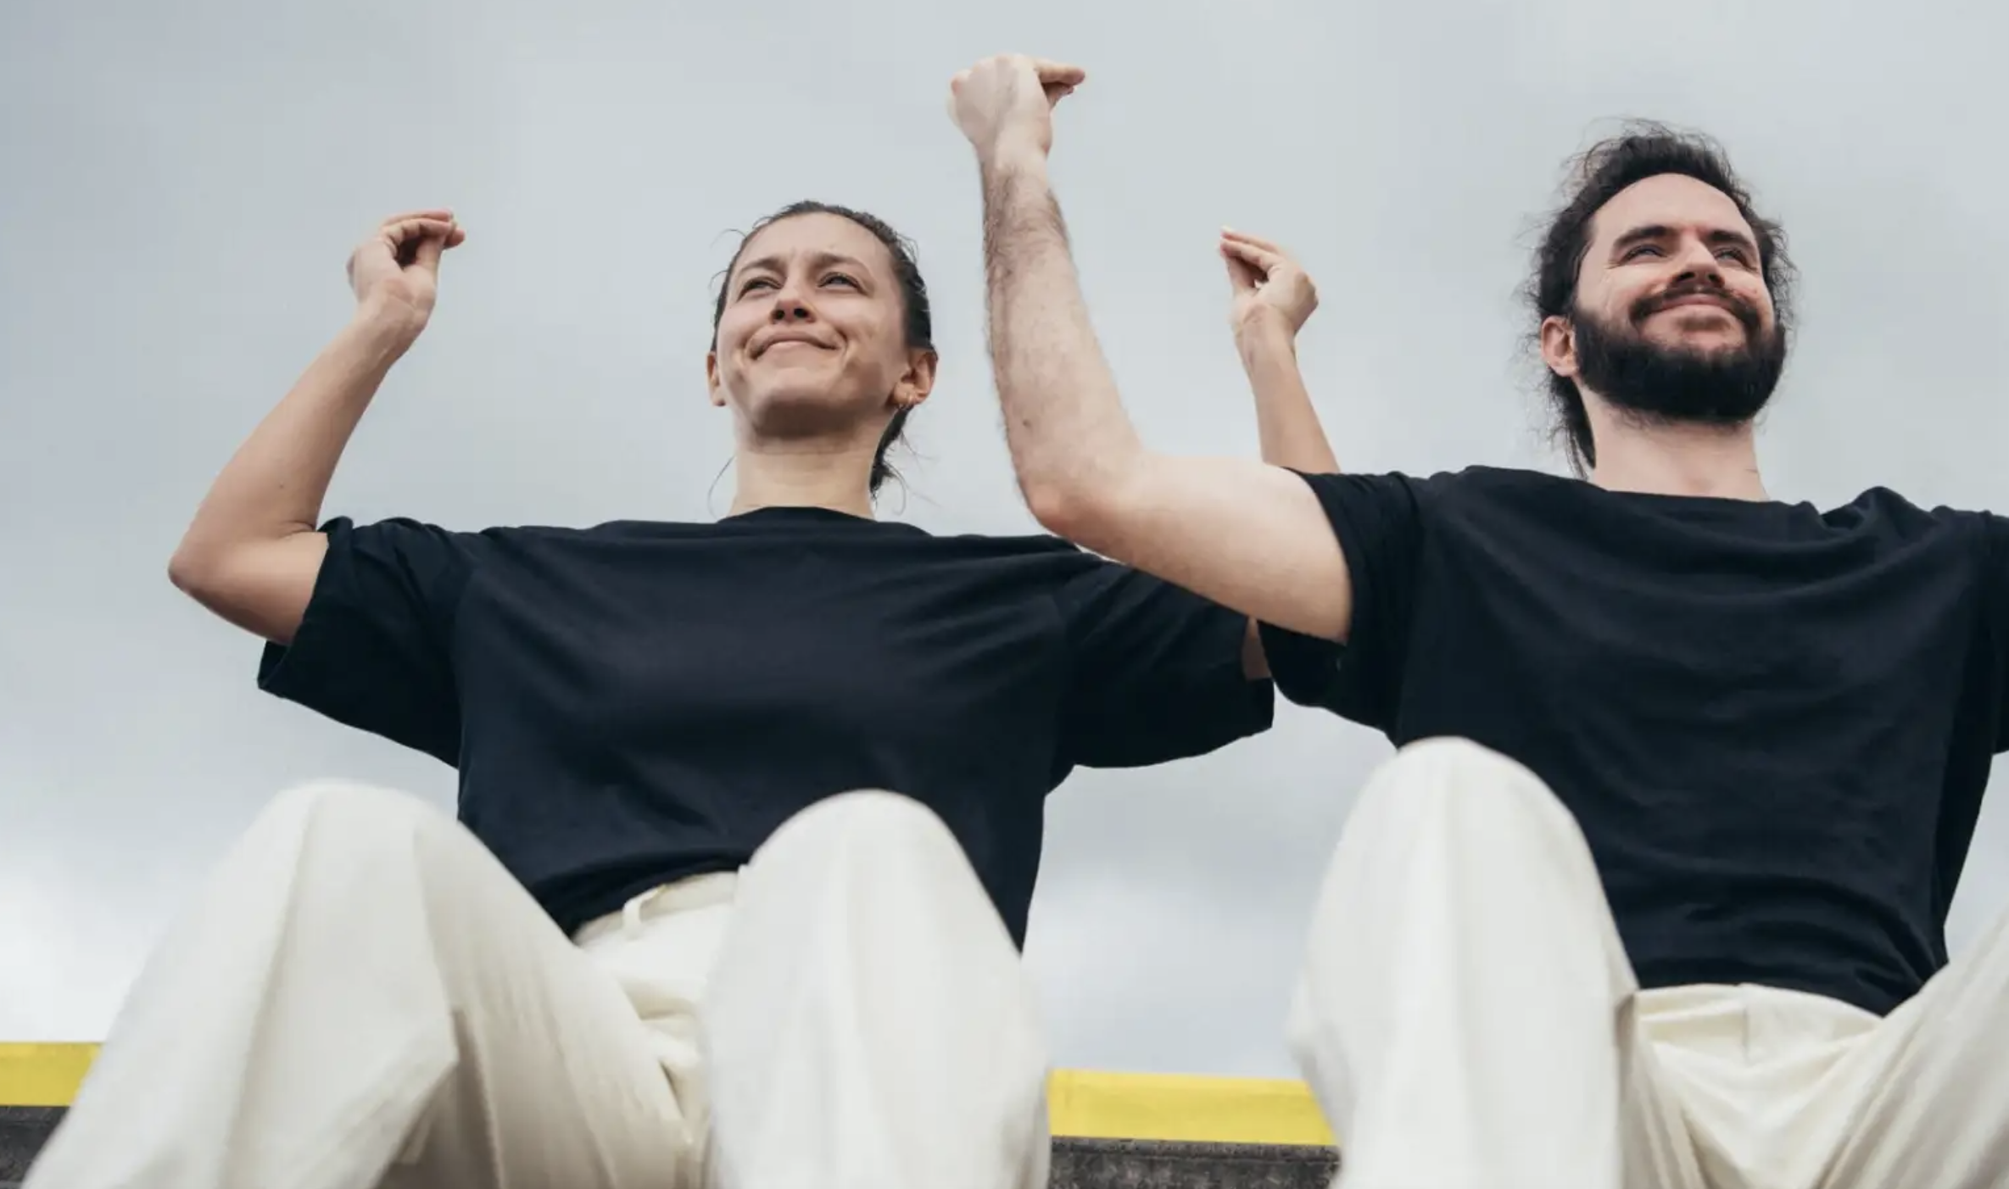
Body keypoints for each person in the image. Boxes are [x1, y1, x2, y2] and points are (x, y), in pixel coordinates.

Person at [946, 52, 2009, 1189]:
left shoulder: (1939, 568)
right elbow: (1091, 479)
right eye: (1650, 245)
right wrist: (1019, 162)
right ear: (1564, 339)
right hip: (1592, 1094)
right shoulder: (1461, 537)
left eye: (1730, 249)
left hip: (1899, 1095)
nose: (1700, 258)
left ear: (1768, 316)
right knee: (1448, 808)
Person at [28, 198, 1320, 1189]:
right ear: (716, 366)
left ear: (914, 372)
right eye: (758, 285)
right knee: (338, 841)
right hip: (572, 1045)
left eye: (837, 282)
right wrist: (379, 327)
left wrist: (1270, 358)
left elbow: (1314, 596)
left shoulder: (1015, 598)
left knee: (865, 847)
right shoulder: (532, 581)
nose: (791, 300)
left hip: (870, 1064)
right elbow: (234, 554)